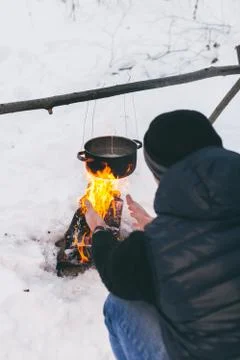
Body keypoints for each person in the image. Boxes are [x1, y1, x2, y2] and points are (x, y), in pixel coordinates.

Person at [85, 110, 240, 360]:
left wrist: (99, 229)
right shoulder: (163, 239)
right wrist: (165, 227)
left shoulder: (155, 247)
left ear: (159, 175)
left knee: (119, 305)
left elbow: (116, 273)